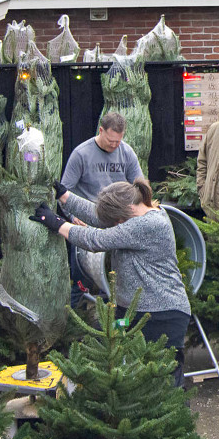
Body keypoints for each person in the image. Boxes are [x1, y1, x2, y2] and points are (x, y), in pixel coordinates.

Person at [33, 179, 190, 386]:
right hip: (132, 313)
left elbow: (96, 240)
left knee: (163, 379)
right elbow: (98, 216)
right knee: (109, 344)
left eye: (116, 220)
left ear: (128, 208)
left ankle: (176, 416)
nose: (114, 224)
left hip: (161, 315)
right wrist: (64, 196)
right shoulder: (135, 213)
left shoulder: (149, 224)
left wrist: (57, 224)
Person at [60, 112, 143, 304]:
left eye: (118, 141)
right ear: (101, 130)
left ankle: (114, 323)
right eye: (111, 140)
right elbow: (65, 192)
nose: (114, 145)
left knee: (116, 279)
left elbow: (140, 186)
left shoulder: (127, 152)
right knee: (80, 282)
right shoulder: (81, 154)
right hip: (88, 224)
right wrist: (73, 217)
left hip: (119, 224)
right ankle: (72, 324)